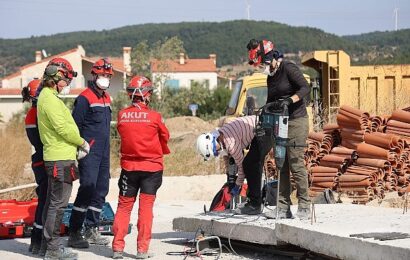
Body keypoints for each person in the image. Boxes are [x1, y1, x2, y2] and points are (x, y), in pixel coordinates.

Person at [247, 39, 311, 219]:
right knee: (281, 164)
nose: (262, 68)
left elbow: (305, 88)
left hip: (297, 121)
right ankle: (283, 208)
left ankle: (305, 205)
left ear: (270, 57)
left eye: (263, 64)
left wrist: (290, 100)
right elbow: (270, 101)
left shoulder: (288, 68)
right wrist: (262, 115)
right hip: (280, 123)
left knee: (296, 163)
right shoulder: (271, 77)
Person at [112, 76, 170, 259]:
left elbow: (123, 133)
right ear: (145, 94)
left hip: (129, 168)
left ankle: (117, 248)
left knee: (123, 207)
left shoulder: (122, 114)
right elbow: (165, 137)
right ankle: (142, 250)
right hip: (151, 169)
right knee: (146, 209)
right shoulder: (155, 117)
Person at [37, 57, 90, 259]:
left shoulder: (49, 96)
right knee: (58, 206)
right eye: (66, 79)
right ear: (56, 76)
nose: (68, 83)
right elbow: (62, 128)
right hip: (59, 159)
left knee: (53, 204)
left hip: (59, 156)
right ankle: (53, 249)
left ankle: (46, 246)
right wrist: (81, 142)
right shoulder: (49, 99)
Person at [68, 58, 113, 248]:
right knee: (87, 188)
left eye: (107, 76)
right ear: (94, 75)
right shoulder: (84, 98)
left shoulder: (107, 97)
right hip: (89, 151)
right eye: (102, 75)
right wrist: (77, 150)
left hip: (104, 151)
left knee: (101, 189)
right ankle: (75, 231)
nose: (104, 78)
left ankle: (91, 228)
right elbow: (75, 125)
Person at [196, 115, 272, 215]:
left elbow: (241, 168)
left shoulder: (231, 144)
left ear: (213, 143)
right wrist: (230, 176)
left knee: (250, 165)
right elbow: (227, 157)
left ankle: (254, 205)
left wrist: (237, 185)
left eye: (216, 151)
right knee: (250, 163)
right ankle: (253, 202)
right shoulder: (222, 134)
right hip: (259, 127)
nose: (218, 152)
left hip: (264, 129)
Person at [22, 79, 48, 254]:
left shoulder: (33, 113)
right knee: (45, 202)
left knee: (44, 201)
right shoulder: (36, 114)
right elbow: (41, 142)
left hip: (39, 161)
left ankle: (36, 241)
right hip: (43, 161)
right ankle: (38, 241)